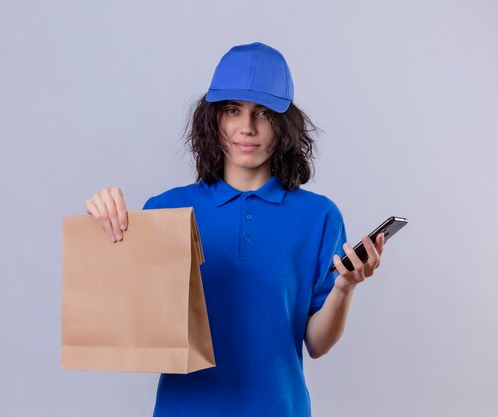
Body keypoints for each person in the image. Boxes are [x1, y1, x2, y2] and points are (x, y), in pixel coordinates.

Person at [84, 42, 386, 417]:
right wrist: (106, 230)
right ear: (213, 119)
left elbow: (317, 343)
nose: (247, 127)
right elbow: (133, 324)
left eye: (263, 112)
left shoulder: (319, 216)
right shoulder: (165, 209)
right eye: (232, 110)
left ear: (284, 124)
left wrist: (345, 286)